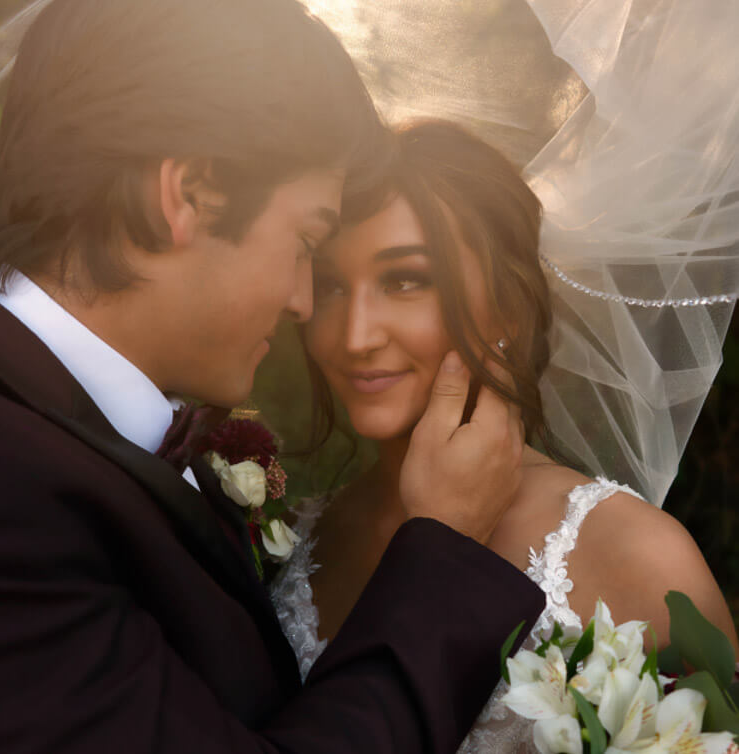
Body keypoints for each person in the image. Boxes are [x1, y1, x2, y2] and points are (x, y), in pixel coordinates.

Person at [0, 1, 548, 752]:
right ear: (190, 197)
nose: (301, 302)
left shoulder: (28, 417)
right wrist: (445, 552)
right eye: (307, 244)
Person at [270, 119, 739, 751]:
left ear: (510, 306)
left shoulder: (635, 554)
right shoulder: (295, 536)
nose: (354, 336)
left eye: (404, 280)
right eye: (328, 284)